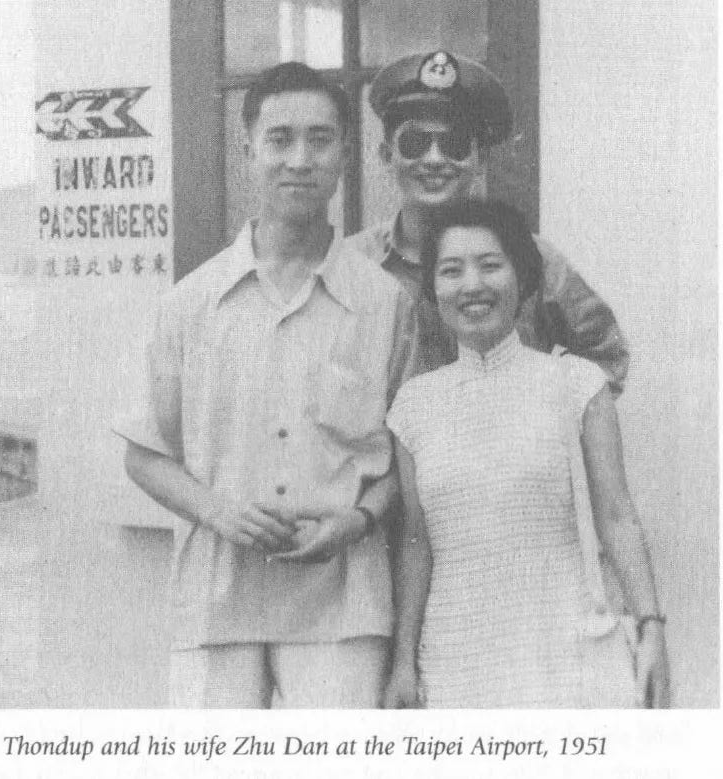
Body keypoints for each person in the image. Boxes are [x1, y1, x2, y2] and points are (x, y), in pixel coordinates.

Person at [113, 62, 418, 708]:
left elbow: (407, 459)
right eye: (280, 139)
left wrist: (357, 519)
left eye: (320, 139)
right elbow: (143, 455)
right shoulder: (189, 304)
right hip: (216, 600)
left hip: (343, 603)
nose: (300, 160)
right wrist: (217, 510)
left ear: (345, 154)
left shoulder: (385, 303)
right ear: (247, 148)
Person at [383, 199, 670, 708]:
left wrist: (652, 629)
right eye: (451, 270)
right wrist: (403, 661)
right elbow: (416, 541)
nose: (472, 285)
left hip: (563, 649)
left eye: (491, 264)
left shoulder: (576, 383)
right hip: (454, 655)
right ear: (433, 288)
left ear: (523, 276)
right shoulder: (414, 405)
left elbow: (617, 516)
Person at [345, 49, 629, 387]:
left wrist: (546, 404)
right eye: (414, 143)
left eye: (454, 144)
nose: (434, 159)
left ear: (480, 160)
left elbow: (606, 354)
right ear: (386, 155)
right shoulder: (351, 265)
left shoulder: (530, 258)